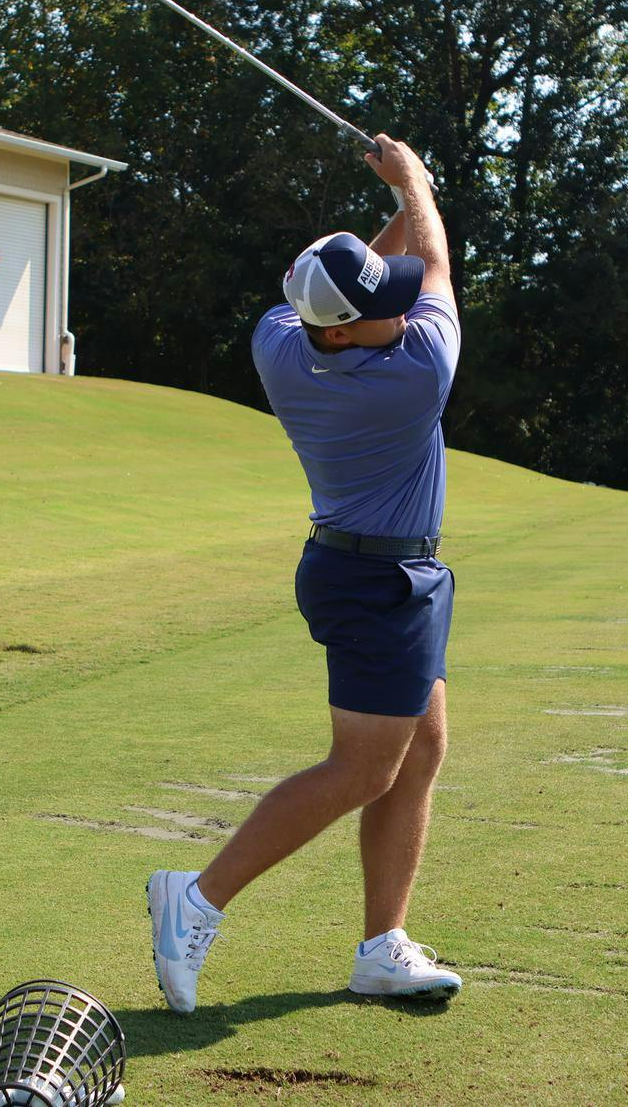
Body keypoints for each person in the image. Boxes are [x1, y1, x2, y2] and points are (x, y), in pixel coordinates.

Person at [148, 134, 462, 1012]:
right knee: (363, 767)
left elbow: (373, 270)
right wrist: (418, 195)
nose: (398, 307)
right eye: (378, 307)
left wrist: (408, 195)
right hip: (380, 585)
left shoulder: (281, 343)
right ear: (344, 329)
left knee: (421, 748)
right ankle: (197, 898)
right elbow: (431, 263)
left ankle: (381, 944)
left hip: (363, 568)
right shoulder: (417, 374)